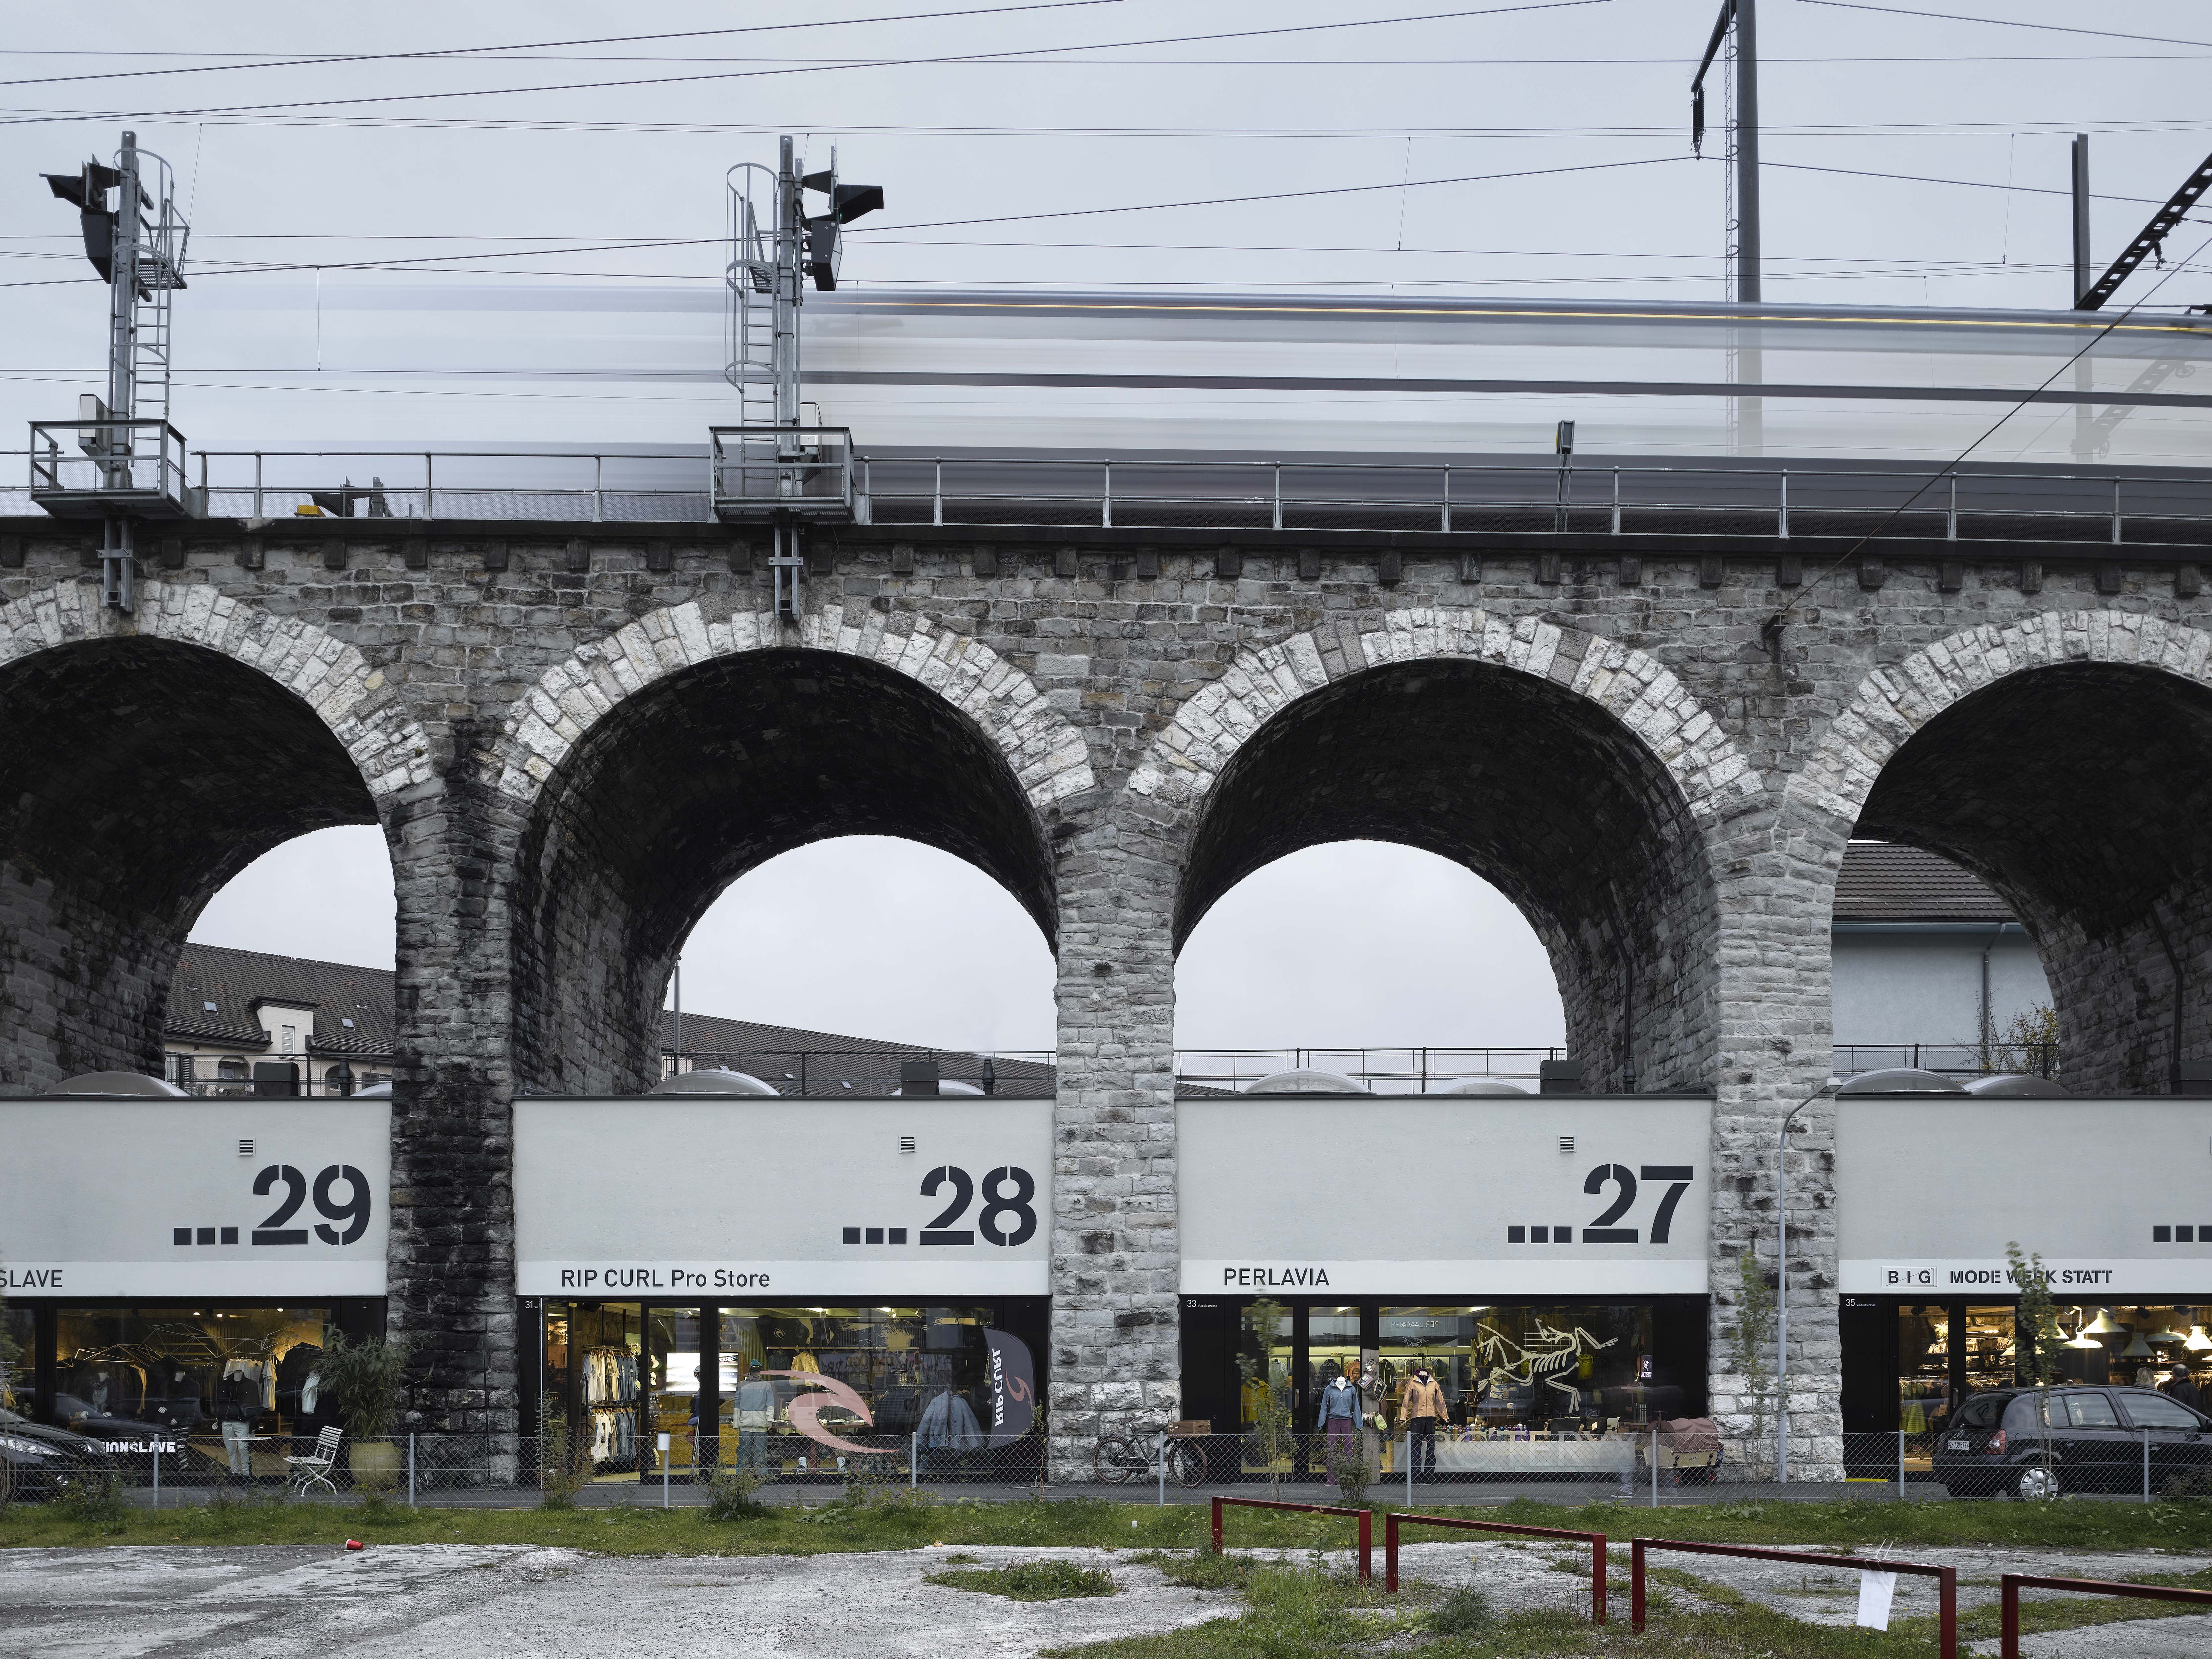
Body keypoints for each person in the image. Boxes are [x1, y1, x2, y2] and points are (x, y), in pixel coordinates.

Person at [1315, 1364, 1363, 1485]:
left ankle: (1348, 1480)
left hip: (1347, 1421)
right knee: (1332, 1449)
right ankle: (1332, 1480)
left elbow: (1356, 1407)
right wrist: (1321, 1423)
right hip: (1333, 1421)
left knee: (1349, 1449)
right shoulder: (1329, 1389)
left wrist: (1359, 1424)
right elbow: (1324, 1407)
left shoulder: (1351, 1389)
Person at [1401, 1365, 1446, 1483]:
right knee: (1415, 1447)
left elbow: (1440, 1402)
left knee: (1431, 1447)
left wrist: (1445, 1417)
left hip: (1431, 1418)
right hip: (1417, 1418)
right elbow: (1406, 1401)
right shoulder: (1413, 1383)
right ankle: (1415, 1477)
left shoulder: (1434, 1383)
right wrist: (1403, 1418)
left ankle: (1429, 1477)